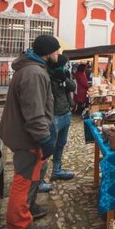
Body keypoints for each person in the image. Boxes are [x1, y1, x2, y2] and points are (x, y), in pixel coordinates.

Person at [0, 35, 60, 229]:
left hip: (27, 135)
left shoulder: (34, 69)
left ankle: (28, 207)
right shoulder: (33, 73)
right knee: (23, 180)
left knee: (33, 175)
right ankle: (18, 227)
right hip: (27, 137)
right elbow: (34, 113)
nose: (59, 54)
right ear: (48, 52)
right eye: (57, 50)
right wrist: (44, 138)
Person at [39, 54, 76, 192]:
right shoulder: (47, 75)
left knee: (61, 143)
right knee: (48, 148)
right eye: (65, 64)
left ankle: (57, 170)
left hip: (65, 113)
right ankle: (39, 180)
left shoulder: (63, 74)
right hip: (53, 116)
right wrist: (57, 80)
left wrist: (64, 79)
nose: (67, 66)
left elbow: (72, 87)